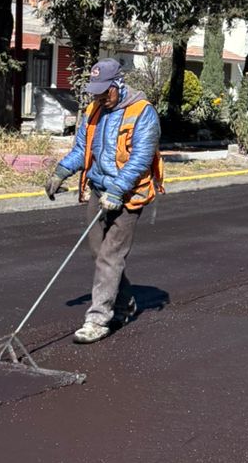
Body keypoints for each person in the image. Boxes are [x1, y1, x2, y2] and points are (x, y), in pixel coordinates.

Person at [45, 59, 164, 342]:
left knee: (111, 256)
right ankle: (124, 304)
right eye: (96, 92)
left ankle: (98, 320)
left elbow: (140, 159)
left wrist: (118, 190)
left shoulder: (142, 112)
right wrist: (61, 172)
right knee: (99, 255)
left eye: (104, 92)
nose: (100, 98)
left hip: (129, 195)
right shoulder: (93, 110)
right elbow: (82, 150)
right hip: (99, 190)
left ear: (118, 85)